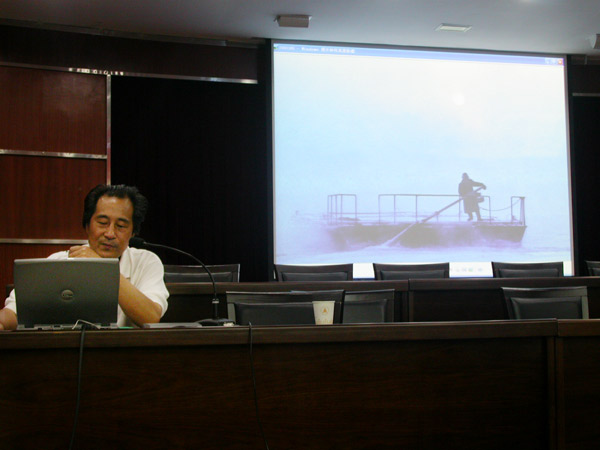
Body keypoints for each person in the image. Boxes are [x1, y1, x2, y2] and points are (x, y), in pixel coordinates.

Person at [0, 184, 169, 331]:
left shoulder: (145, 262)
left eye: (121, 226)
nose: (110, 233)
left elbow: (150, 318)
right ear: (87, 226)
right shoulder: (57, 263)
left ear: (133, 232)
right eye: (102, 223)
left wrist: (103, 269)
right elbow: (14, 312)